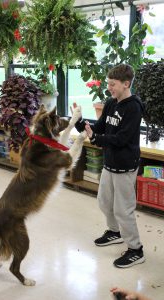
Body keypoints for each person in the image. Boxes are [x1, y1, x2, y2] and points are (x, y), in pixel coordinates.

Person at [74, 64, 145, 268]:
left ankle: (136, 249)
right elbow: (99, 128)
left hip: (125, 165)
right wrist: (80, 123)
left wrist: (96, 137)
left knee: (124, 209)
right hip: (110, 163)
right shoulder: (111, 103)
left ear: (126, 84)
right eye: (108, 84)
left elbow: (122, 139)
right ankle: (115, 232)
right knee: (104, 201)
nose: (109, 88)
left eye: (112, 84)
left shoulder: (133, 107)